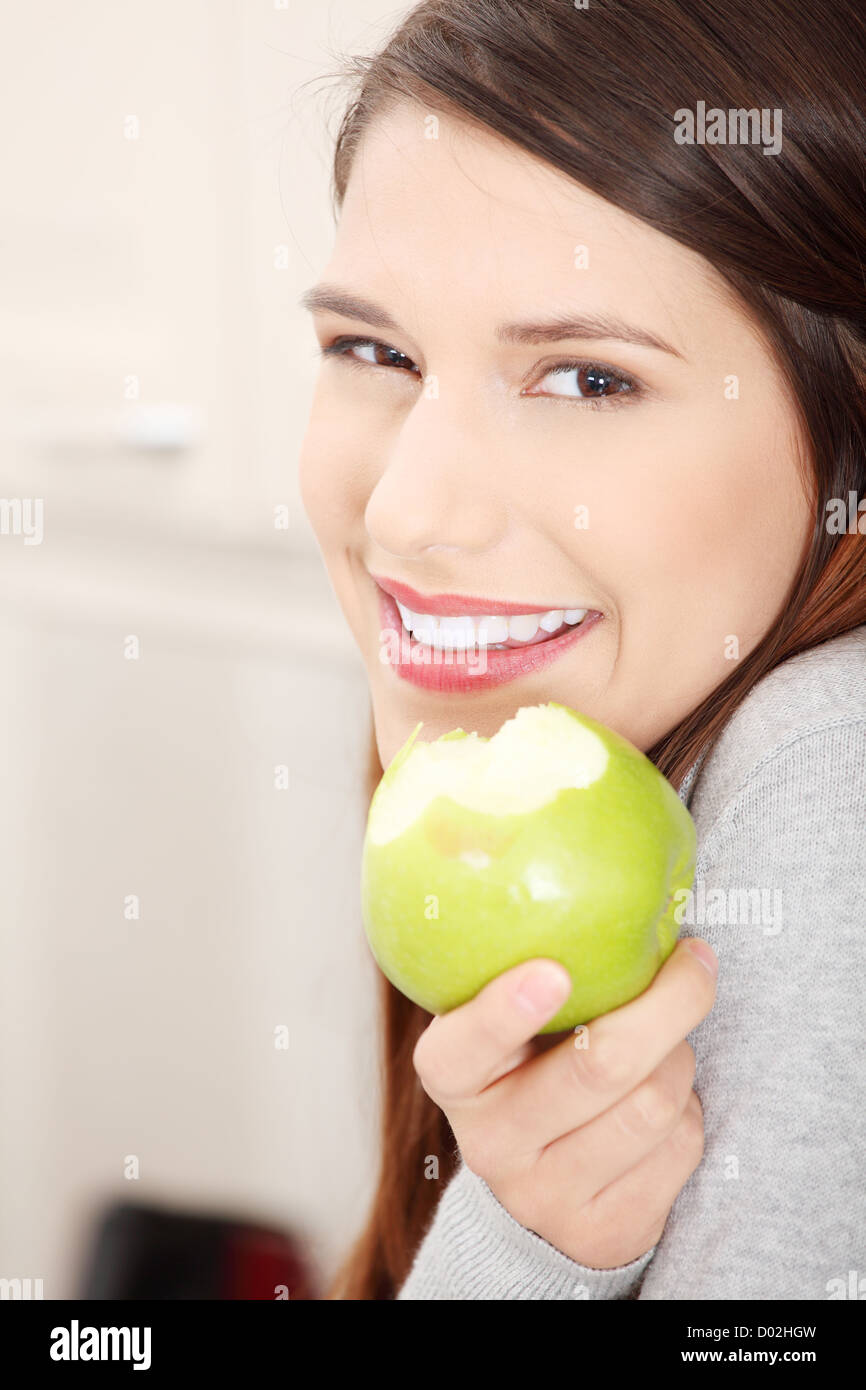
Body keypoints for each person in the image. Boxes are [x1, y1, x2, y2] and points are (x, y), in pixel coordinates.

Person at [298, 0, 866, 1299]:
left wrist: (518, 1251)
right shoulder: (594, 752)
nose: (405, 514)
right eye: (371, 350)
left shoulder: (826, 755)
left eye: (585, 378)